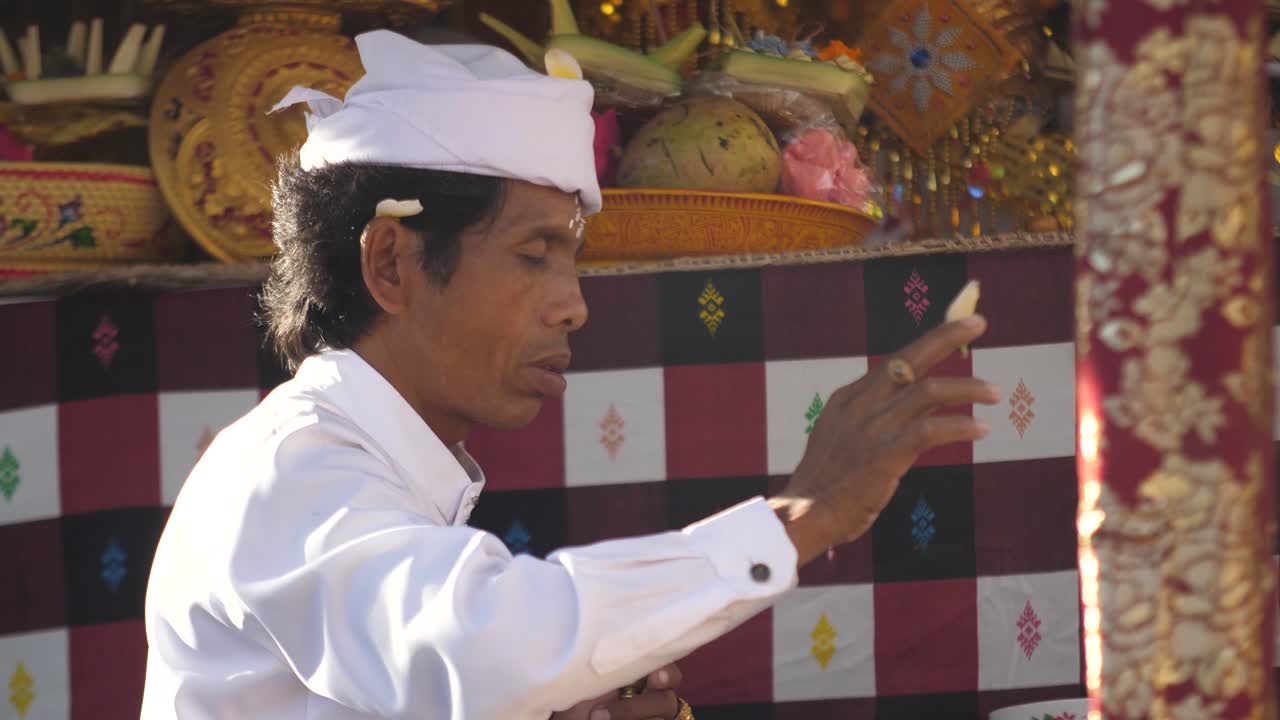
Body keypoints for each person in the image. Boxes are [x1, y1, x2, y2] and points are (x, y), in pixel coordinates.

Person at [141, 29, 1000, 720]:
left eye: (572, 259)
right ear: (392, 264)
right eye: (533, 255)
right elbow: (478, 652)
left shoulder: (377, 477)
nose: (573, 306)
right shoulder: (288, 470)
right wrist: (797, 520)